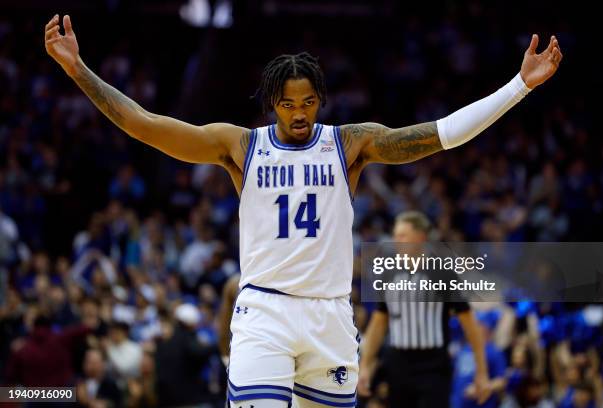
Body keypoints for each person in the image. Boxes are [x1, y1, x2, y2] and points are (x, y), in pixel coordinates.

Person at [44, 14, 562, 407]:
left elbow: (440, 135)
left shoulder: (350, 144)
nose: (299, 113)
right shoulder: (241, 146)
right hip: (265, 312)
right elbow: (144, 124)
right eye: (289, 104)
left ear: (321, 100)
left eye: (308, 102)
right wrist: (78, 70)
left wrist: (519, 86)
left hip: (331, 316)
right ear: (273, 102)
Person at [357, 211, 491, 407]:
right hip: (398, 365)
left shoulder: (442, 272)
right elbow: (378, 324)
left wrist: (482, 372)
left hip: (433, 367)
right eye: (395, 235)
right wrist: (365, 366)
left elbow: (469, 324)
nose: (396, 240)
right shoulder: (388, 274)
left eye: (402, 235)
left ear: (420, 238)